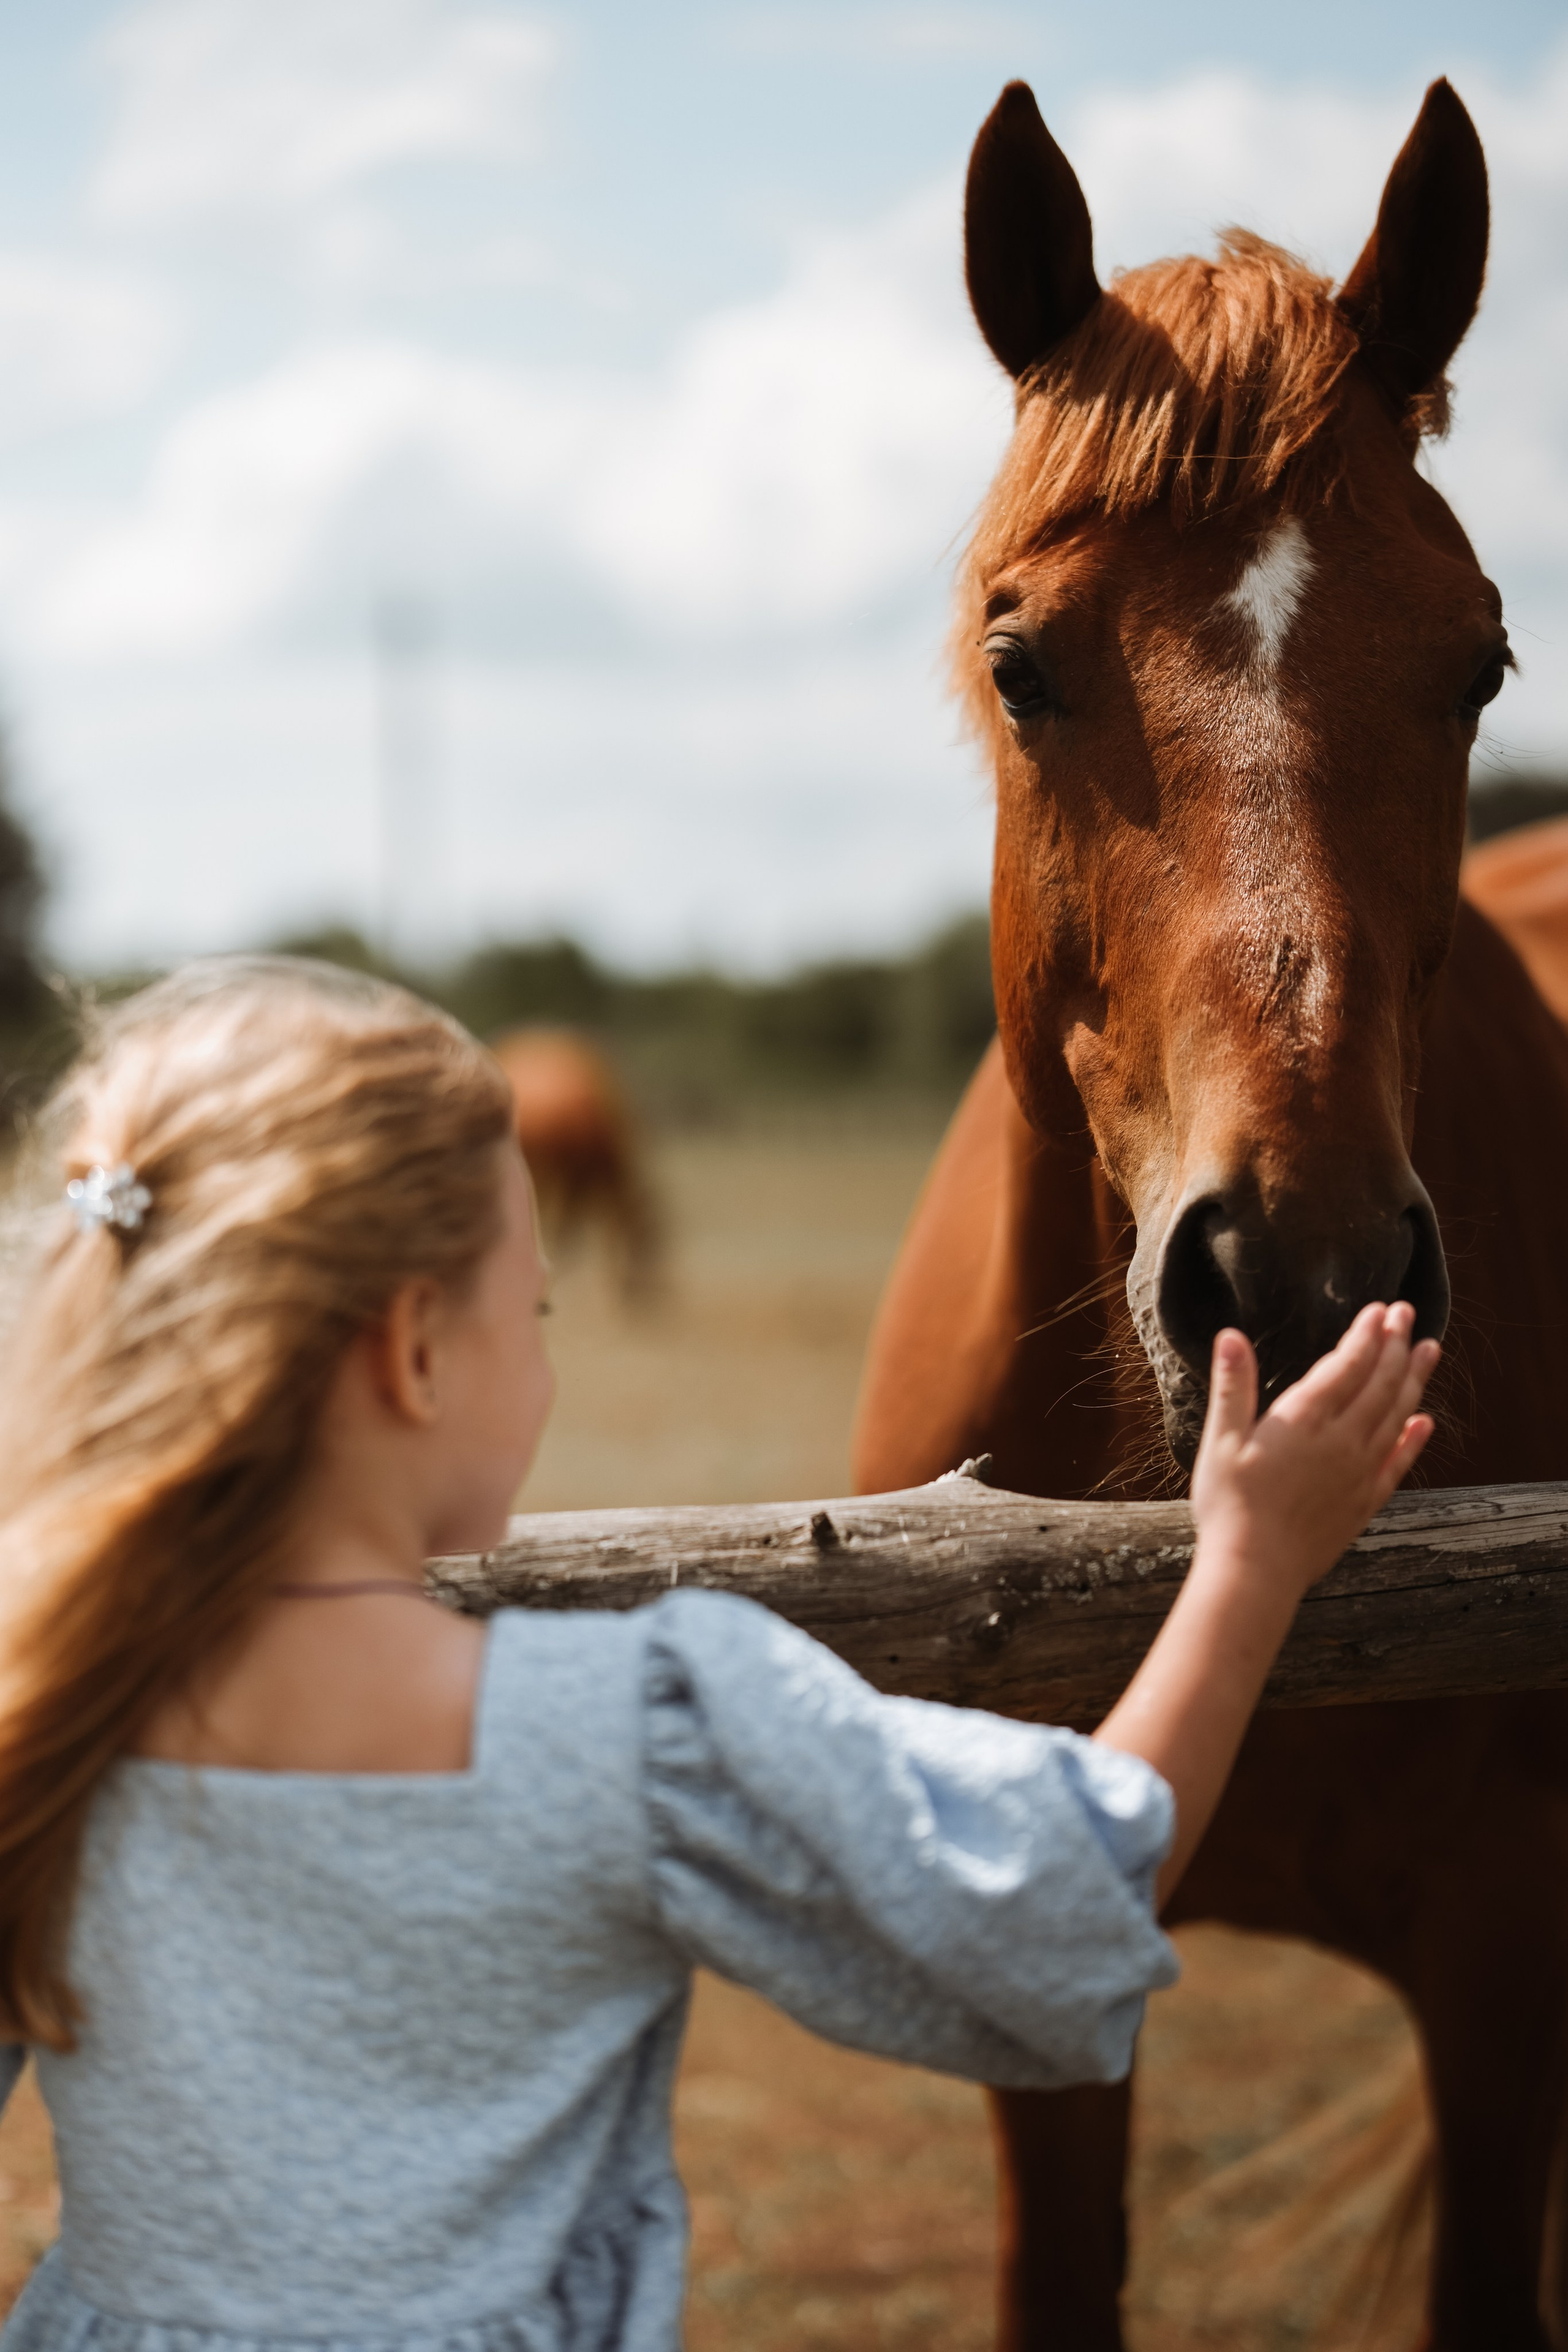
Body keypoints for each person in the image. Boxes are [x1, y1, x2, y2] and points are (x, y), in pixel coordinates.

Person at [0, 956, 1436, 2352]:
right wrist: (1249, 1567)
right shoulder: (627, 1726)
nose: (547, 1362)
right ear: (413, 1356)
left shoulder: (42, 1707)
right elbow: (1050, 1907)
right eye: (535, 1313)